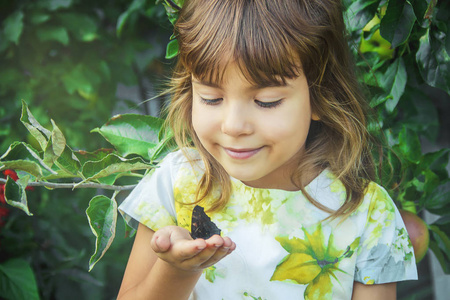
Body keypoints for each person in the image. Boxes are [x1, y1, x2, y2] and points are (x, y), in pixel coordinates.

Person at [117, 0, 418, 299]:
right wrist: (177, 270)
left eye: (267, 101)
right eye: (210, 98)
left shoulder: (367, 215)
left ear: (321, 95)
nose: (234, 126)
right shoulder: (177, 182)